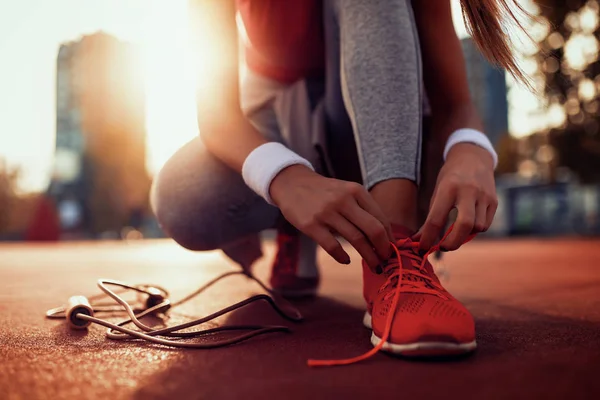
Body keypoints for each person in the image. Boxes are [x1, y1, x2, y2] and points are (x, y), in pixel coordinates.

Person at [151, 0, 527, 362]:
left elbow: (455, 103)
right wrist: (285, 179)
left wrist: (472, 149)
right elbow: (217, 115)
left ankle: (395, 249)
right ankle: (293, 222)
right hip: (275, 111)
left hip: (391, 133)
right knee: (182, 199)